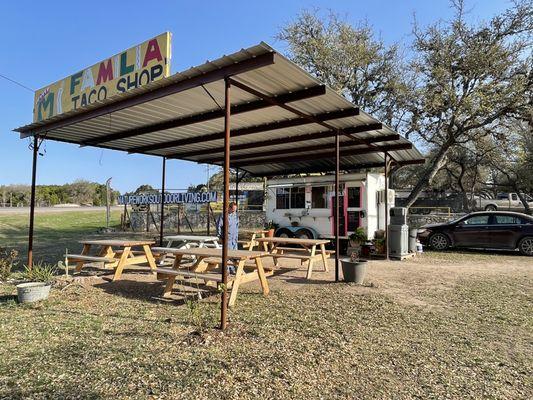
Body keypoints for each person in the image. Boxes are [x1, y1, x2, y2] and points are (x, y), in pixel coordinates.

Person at [216, 202, 239, 273]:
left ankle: (233, 269)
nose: (234, 211)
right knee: (227, 254)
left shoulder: (235, 215)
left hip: (234, 238)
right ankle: (227, 270)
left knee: (234, 255)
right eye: (233, 210)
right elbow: (218, 226)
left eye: (235, 210)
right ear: (229, 208)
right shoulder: (223, 215)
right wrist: (220, 236)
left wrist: (237, 236)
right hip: (227, 238)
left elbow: (237, 226)